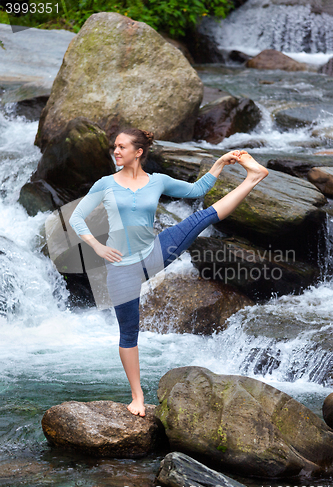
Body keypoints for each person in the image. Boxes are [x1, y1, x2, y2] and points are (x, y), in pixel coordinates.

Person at [69, 128, 268, 417]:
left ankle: (253, 177)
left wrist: (220, 163)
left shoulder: (157, 181)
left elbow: (197, 190)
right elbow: (76, 218)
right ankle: (137, 397)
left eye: (122, 147)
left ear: (138, 152)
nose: (116, 151)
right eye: (115, 146)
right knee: (129, 333)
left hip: (153, 253)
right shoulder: (105, 184)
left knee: (200, 218)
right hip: (120, 268)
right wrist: (98, 248)